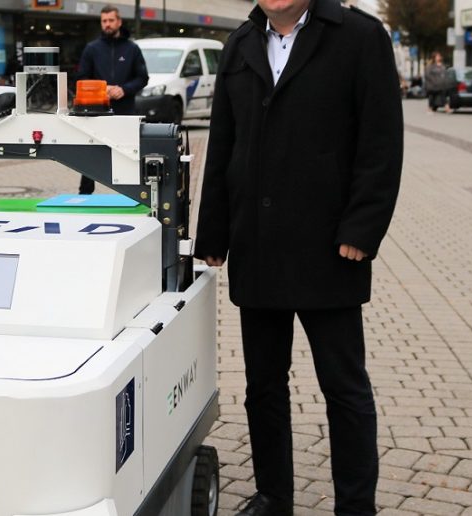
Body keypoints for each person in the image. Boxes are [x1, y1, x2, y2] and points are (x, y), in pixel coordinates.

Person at [194, 0, 403, 511]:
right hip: (257, 244)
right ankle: (273, 497)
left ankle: (356, 505)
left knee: (344, 386)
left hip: (329, 248)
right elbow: (223, 143)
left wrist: (363, 227)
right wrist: (213, 234)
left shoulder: (359, 36)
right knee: (263, 387)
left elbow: (381, 140)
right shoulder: (240, 44)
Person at [74, 5, 148, 194]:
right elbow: (81, 78)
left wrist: (124, 89)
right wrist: (102, 88)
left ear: (119, 22)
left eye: (111, 20)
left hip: (125, 111)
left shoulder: (132, 49)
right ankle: (85, 196)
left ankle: (133, 195)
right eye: (104, 21)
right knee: (91, 154)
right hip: (96, 112)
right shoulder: (92, 49)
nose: (107, 24)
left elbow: (142, 77)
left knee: (128, 154)